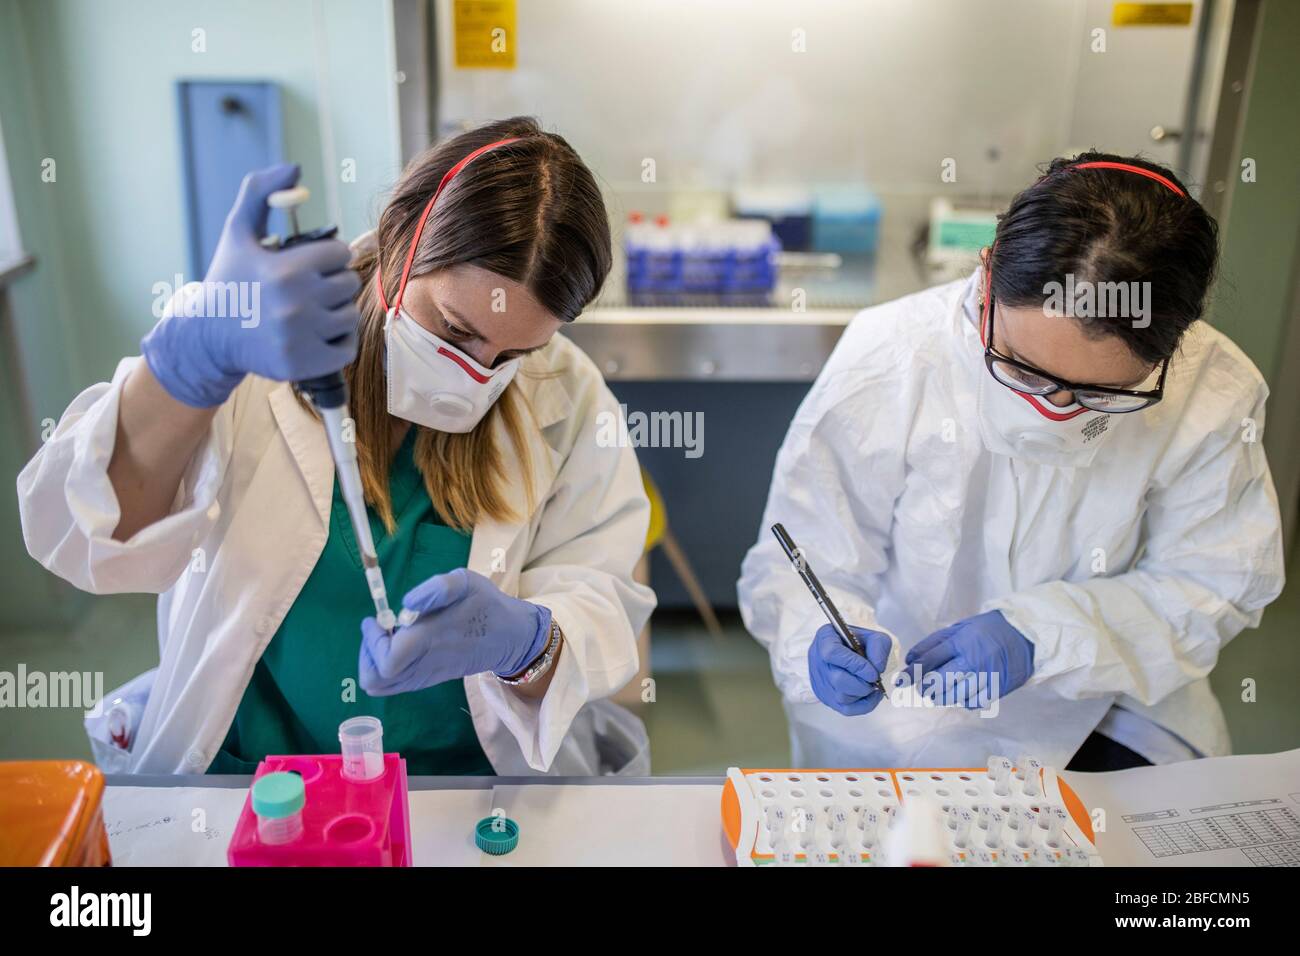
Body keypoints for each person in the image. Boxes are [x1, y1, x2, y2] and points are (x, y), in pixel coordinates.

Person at [19, 117, 655, 776]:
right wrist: (189, 362)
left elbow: (601, 598)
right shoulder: (253, 340)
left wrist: (527, 642)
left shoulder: (568, 397)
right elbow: (75, 534)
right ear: (399, 237)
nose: (476, 376)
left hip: (466, 794)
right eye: (455, 329)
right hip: (252, 784)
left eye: (514, 353)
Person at [738, 153, 1285, 771]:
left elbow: (1211, 582)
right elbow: (806, 558)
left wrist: (1044, 634)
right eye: (1020, 367)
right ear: (989, 271)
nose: (1053, 409)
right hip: (898, 709)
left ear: (1177, 340)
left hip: (1109, 701)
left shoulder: (1211, 392)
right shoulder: (890, 358)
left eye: (1100, 394)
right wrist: (818, 635)